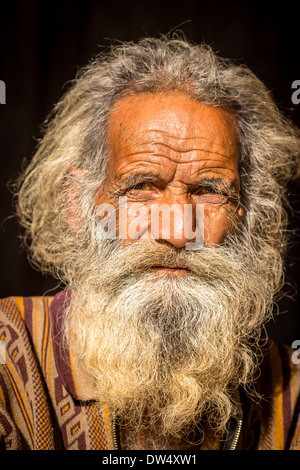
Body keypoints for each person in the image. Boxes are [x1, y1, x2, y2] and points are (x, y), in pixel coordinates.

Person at [0, 35, 299, 451]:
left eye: (210, 190)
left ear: (249, 213)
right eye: (141, 187)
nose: (177, 232)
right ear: (77, 203)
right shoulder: (7, 359)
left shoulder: (292, 394)